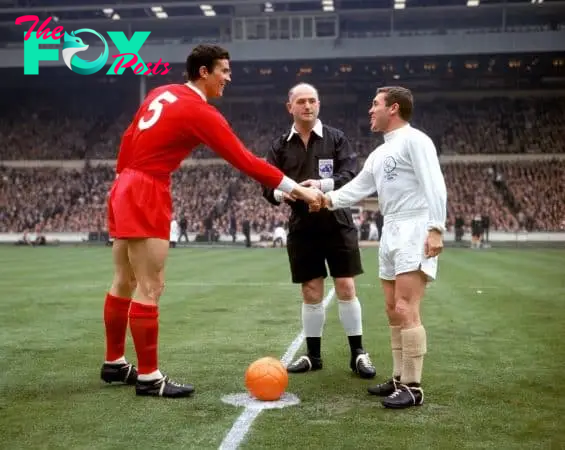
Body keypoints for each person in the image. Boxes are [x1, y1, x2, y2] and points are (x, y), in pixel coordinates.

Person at [100, 44, 321, 399]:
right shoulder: (199, 111)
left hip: (124, 180)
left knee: (123, 279)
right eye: (224, 71)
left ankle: (114, 362)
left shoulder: (161, 91)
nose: (228, 79)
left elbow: (128, 137)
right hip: (146, 187)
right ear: (204, 72)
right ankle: (148, 377)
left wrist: (124, 181)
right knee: (151, 285)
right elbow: (245, 160)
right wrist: (298, 190)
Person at [313, 86, 447, 409]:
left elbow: (434, 183)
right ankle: (400, 377)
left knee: (406, 307)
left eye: (375, 105)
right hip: (391, 228)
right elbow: (357, 188)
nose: (370, 111)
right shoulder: (379, 153)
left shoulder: (416, 140)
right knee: (391, 309)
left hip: (415, 226)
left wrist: (436, 228)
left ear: (394, 108)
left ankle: (413, 387)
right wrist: (325, 198)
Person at [262, 83, 376, 379]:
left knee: (346, 287)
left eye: (312, 101)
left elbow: (350, 175)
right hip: (302, 227)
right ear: (290, 107)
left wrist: (320, 186)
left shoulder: (336, 139)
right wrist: (283, 194)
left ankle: (358, 353)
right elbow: (268, 183)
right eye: (301, 101)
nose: (308, 106)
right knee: (311, 291)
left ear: (319, 105)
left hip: (337, 222)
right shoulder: (279, 146)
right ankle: (313, 356)